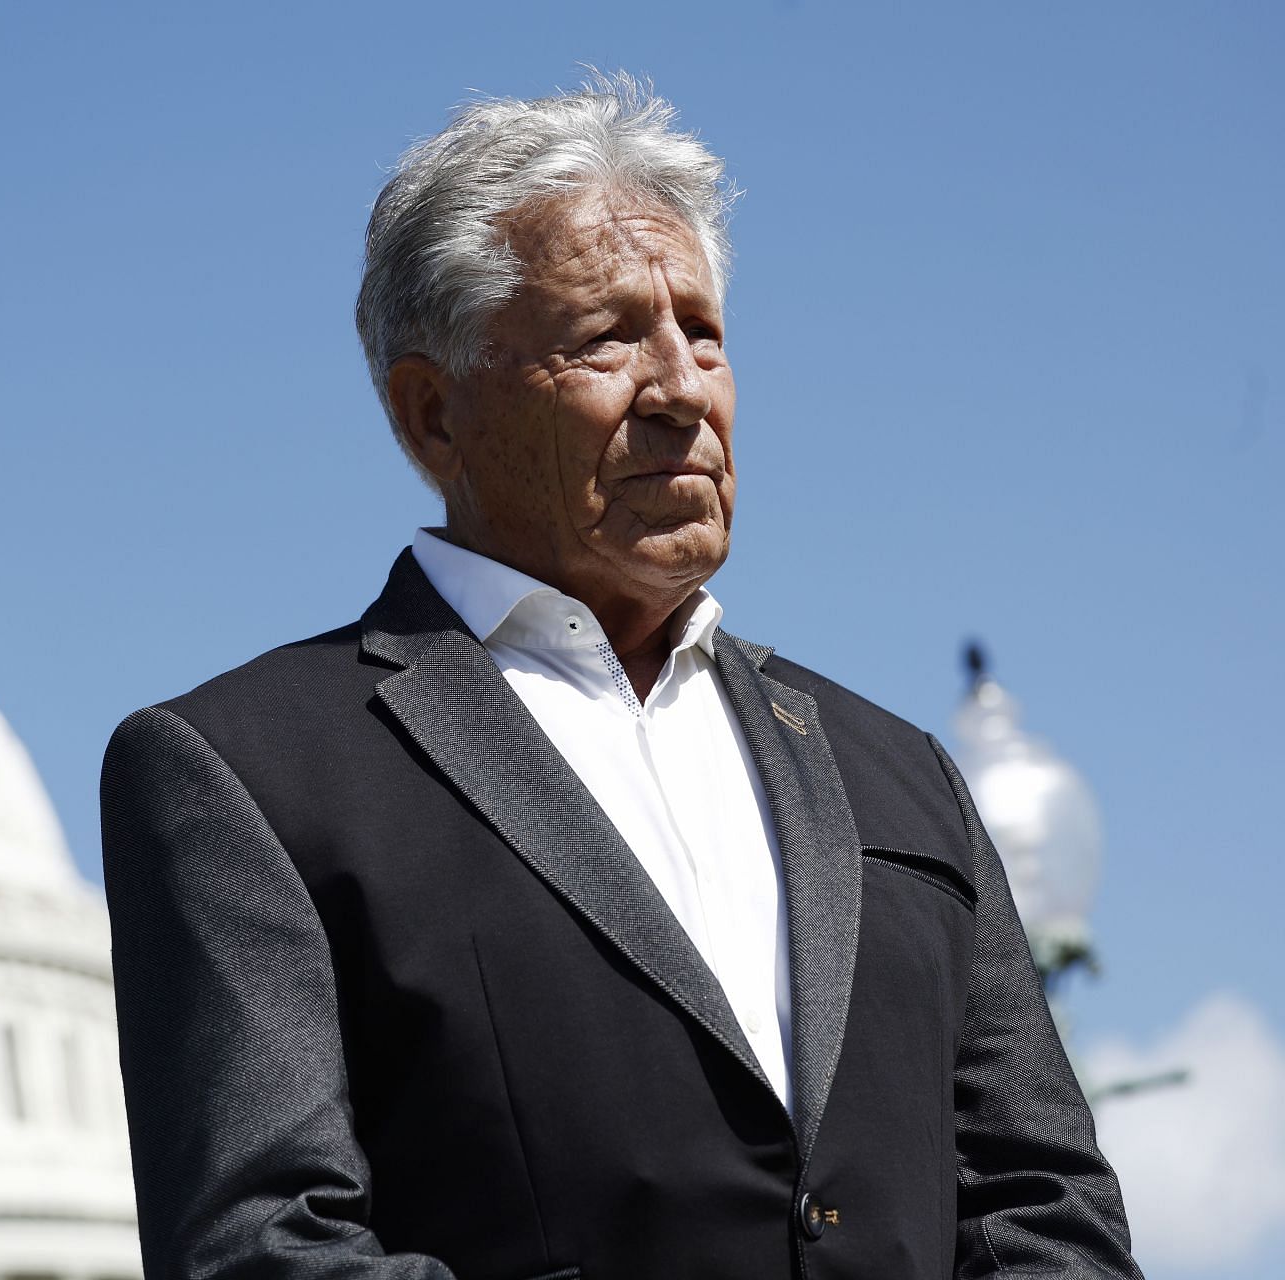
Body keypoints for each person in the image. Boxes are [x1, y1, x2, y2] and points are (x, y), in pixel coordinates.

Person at [100, 73, 1140, 1280]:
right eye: (606, 337)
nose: (685, 390)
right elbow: (263, 1249)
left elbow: (1046, 1204)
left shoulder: (898, 774)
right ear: (433, 413)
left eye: (702, 332)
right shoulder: (249, 772)